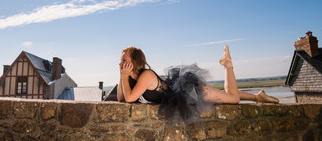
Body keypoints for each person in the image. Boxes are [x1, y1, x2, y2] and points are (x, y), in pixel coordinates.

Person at [117, 45, 279, 120]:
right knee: (228, 96)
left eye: (124, 60)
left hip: (192, 93)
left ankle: (228, 65)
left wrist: (124, 77)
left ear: (134, 62)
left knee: (233, 99)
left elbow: (130, 99)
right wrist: (122, 75)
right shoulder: (132, 79)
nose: (120, 63)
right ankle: (258, 97)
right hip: (187, 96)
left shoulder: (146, 75)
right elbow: (121, 98)